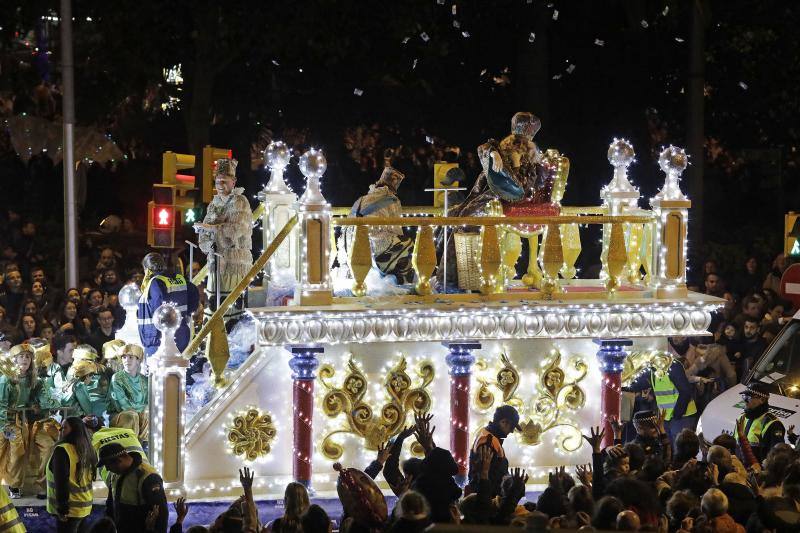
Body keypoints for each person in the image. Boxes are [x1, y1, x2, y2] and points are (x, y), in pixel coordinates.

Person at [194, 157, 253, 328]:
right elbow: (205, 233)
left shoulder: (240, 201)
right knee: (214, 304)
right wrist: (205, 234)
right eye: (217, 181)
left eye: (224, 181)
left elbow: (236, 229)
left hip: (235, 263)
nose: (220, 184)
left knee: (231, 308)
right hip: (216, 262)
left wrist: (212, 229)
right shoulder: (214, 204)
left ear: (233, 182)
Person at [346, 166, 415, 284]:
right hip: (373, 244)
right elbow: (396, 228)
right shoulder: (392, 200)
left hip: (350, 243)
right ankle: (402, 281)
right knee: (407, 245)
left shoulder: (362, 198)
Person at [627, 354, 697, 445]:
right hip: (667, 418)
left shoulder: (673, 365)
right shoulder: (652, 369)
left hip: (682, 417)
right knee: (668, 449)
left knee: (679, 450)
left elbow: (685, 391)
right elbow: (642, 383)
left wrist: (676, 414)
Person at [137, 252, 199, 356]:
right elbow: (194, 294)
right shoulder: (180, 278)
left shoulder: (155, 283)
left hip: (159, 338)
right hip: (182, 334)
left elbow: (158, 309)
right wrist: (187, 314)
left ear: (147, 268)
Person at [100, 442, 168, 533]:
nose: (107, 469)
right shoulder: (116, 473)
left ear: (119, 460)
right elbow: (111, 501)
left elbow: (161, 514)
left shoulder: (148, 476)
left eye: (108, 466)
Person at [46, 417, 96, 533]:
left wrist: (62, 508)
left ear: (75, 430)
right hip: (84, 506)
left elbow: (61, 481)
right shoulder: (88, 448)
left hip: (69, 510)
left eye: (65, 428)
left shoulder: (62, 450)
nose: (61, 430)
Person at [466, 404, 521, 498]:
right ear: (504, 422)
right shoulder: (488, 441)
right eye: (512, 427)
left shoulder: (491, 438)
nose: (511, 431)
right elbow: (483, 478)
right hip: (486, 500)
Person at [735, 382, 786, 463]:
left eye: (748, 397)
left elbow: (777, 458)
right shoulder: (741, 418)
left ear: (762, 400)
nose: (744, 400)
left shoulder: (773, 424)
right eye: (744, 396)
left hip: (758, 473)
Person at [109, 343, 148, 444]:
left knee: (149, 412)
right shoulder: (117, 378)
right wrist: (141, 410)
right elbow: (123, 405)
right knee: (132, 415)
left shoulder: (144, 380)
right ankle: (132, 446)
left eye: (131, 357)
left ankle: (143, 444)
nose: (127, 360)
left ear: (138, 360)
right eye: (124, 357)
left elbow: (148, 402)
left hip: (140, 416)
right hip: (120, 415)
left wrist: (144, 410)